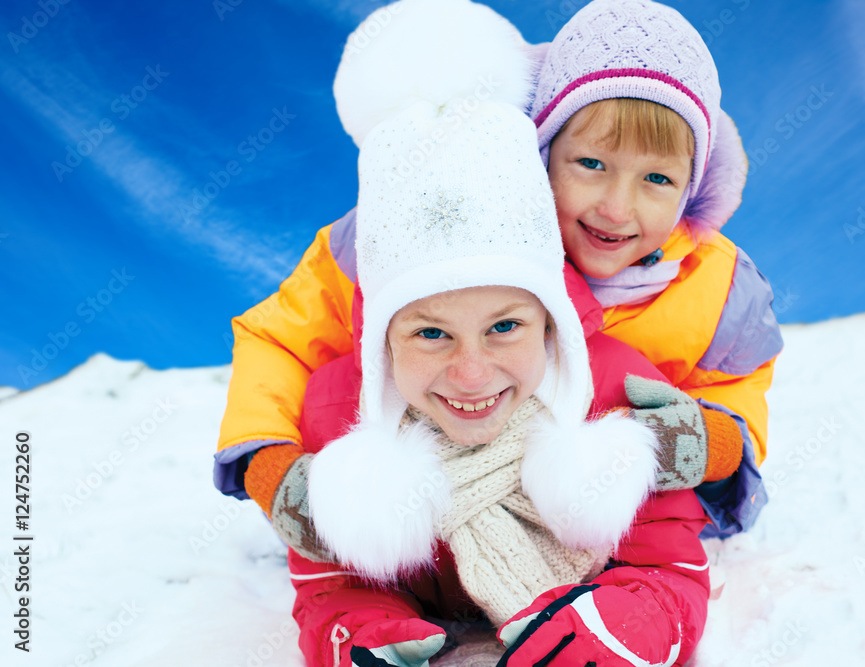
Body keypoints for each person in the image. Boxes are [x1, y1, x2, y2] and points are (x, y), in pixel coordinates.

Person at [214, 0, 777, 554]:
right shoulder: (415, 232)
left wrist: (712, 441)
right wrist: (271, 467)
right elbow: (280, 341)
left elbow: (737, 386)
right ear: (540, 150)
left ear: (691, 186)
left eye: (656, 178)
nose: (616, 208)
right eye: (591, 164)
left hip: (608, 527)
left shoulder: (717, 287)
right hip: (440, 515)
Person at [254, 2, 713, 664]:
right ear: (383, 338)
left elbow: (670, 565)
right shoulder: (337, 412)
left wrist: (625, 626)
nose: (472, 371)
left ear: (551, 319)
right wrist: (357, 627)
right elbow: (329, 579)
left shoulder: (617, 393)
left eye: (504, 326)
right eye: (431, 334)